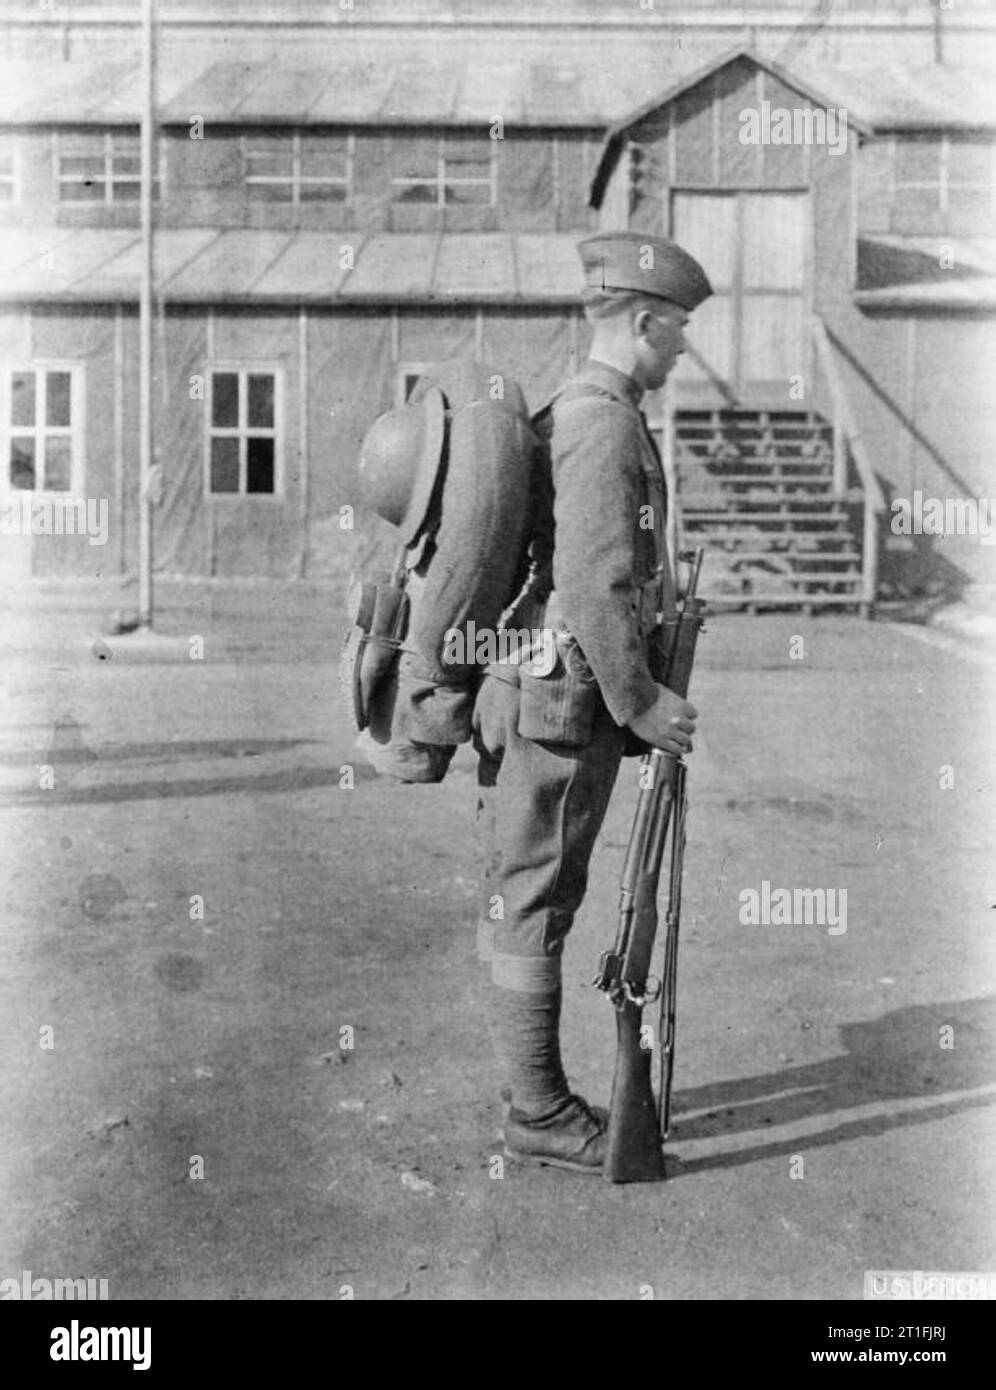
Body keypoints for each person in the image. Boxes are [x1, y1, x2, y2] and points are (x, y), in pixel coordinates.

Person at [472, 230, 712, 1173]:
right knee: (537, 901)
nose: (685, 348)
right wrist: (643, 700)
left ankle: (531, 1096)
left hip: (537, 688)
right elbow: (596, 581)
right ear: (644, 320)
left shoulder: (588, 408)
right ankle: (535, 1112)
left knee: (526, 895)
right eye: (679, 329)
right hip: (565, 702)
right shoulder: (603, 421)